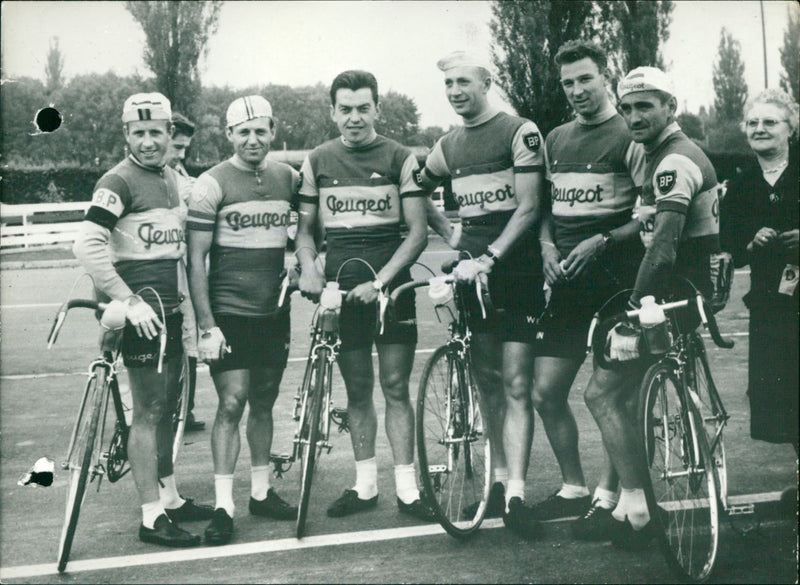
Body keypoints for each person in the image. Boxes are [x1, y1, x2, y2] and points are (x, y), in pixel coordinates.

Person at [583, 67, 722, 550]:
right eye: (627, 108)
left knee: (599, 395)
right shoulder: (656, 154)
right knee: (621, 395)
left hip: (672, 293)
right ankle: (624, 501)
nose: (635, 116)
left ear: (671, 107)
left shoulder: (672, 161)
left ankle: (637, 506)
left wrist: (633, 312)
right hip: (683, 288)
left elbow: (662, 249)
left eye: (646, 106)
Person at [73, 92, 213, 548]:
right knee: (149, 412)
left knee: (169, 406)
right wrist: (128, 301)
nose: (149, 142)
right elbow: (87, 246)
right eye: (139, 133)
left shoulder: (173, 179)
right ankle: (151, 517)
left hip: (170, 313)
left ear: (171, 134)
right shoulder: (118, 180)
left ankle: (169, 497)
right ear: (126, 135)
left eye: (157, 132)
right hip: (140, 316)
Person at [295, 70, 434, 522]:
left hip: (389, 292)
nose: (354, 118)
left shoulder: (400, 157)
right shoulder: (317, 160)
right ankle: (365, 484)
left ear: (378, 109)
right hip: (341, 295)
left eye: (363, 108)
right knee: (357, 391)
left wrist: (381, 283)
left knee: (395, 388)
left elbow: (416, 233)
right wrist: (310, 267)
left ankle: (410, 490)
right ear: (333, 111)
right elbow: (304, 234)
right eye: (345, 109)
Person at [418, 51, 546, 539]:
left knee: (515, 383)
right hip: (470, 274)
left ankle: (516, 493)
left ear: (487, 82)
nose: (455, 90)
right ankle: (495, 482)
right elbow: (416, 186)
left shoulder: (520, 131)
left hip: (515, 271)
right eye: (448, 83)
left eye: (464, 81)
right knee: (486, 381)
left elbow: (530, 207)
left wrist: (490, 255)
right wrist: (450, 233)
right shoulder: (447, 145)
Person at [529, 41, 645, 538]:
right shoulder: (555, 138)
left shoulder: (632, 134)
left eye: (585, 80)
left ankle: (608, 497)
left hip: (618, 284)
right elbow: (547, 213)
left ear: (606, 76)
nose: (576, 90)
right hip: (568, 285)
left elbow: (649, 216)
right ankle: (572, 487)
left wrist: (603, 240)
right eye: (568, 83)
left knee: (610, 397)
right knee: (545, 391)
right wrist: (547, 249)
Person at [186, 95, 300, 546]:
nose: (253, 140)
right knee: (233, 402)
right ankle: (223, 505)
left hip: (275, 311)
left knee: (266, 399)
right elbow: (196, 262)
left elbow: (304, 232)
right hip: (229, 313)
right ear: (229, 134)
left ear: (272, 131)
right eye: (243, 132)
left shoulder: (289, 177)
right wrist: (207, 325)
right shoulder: (211, 183)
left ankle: (261, 490)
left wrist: (297, 259)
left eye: (261, 131)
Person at [720, 89, 798, 455]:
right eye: (753, 122)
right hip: (771, 306)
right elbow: (733, 252)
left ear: (791, 129)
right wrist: (751, 245)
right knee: (784, 397)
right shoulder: (739, 185)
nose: (760, 129)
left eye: (770, 122)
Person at [166, 112, 205, 433]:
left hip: (181, 270)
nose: (181, 154)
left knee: (189, 337)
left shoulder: (179, 172)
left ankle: (184, 409)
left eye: (184, 149)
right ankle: (166, 409)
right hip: (155, 273)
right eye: (177, 146)